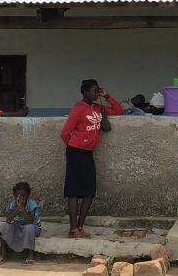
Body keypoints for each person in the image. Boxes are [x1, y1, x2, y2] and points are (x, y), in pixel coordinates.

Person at [60, 79, 112, 239]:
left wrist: (107, 96)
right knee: (74, 190)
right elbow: (64, 133)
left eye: (98, 90)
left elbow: (118, 110)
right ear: (85, 92)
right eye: (94, 90)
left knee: (90, 190)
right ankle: (73, 228)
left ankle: (80, 227)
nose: (96, 93)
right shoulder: (78, 109)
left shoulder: (98, 108)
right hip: (76, 152)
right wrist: (76, 144)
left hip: (88, 153)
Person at [0, 182, 41, 266]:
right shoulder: (13, 204)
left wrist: (22, 208)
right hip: (19, 226)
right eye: (17, 196)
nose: (20, 198)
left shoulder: (32, 204)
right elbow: (8, 220)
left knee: (29, 228)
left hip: (33, 228)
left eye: (23, 196)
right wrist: (17, 208)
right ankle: (3, 253)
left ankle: (30, 255)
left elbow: (30, 221)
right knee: (5, 227)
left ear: (28, 195)